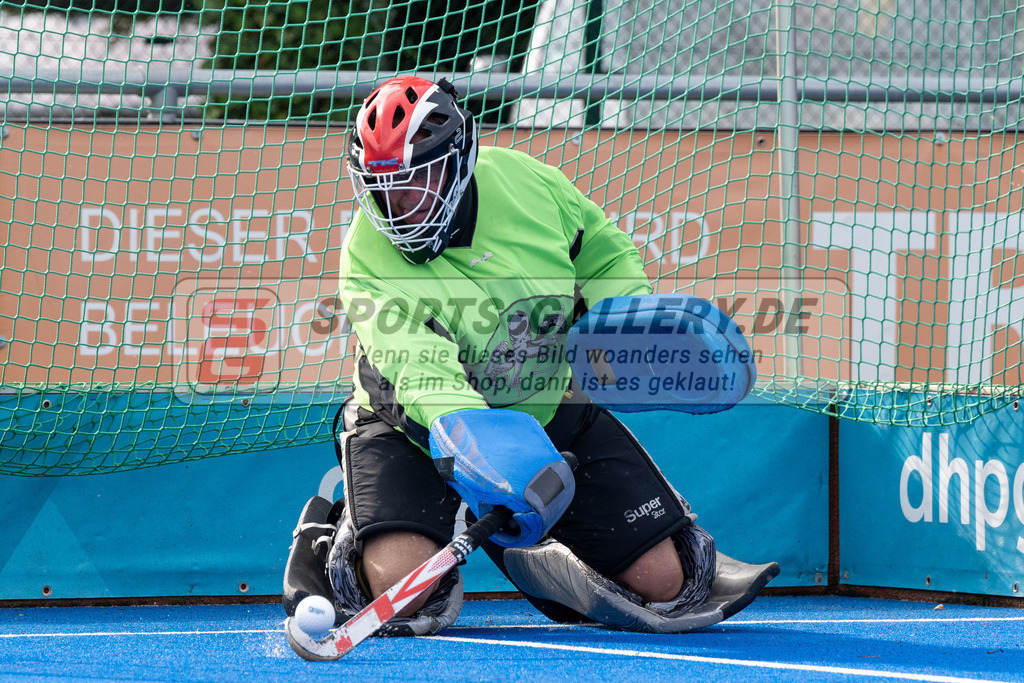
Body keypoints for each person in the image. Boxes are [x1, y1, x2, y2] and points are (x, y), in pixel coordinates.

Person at [283, 75, 777, 638]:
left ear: (460, 159)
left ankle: (543, 559)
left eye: (418, 180)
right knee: (406, 593)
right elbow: (422, 373)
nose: (401, 206)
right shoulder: (365, 257)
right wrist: (490, 459)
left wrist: (622, 320)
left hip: (545, 404)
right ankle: (334, 537)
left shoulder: (529, 184)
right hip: (415, 429)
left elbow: (601, 252)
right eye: (383, 188)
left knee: (665, 583)